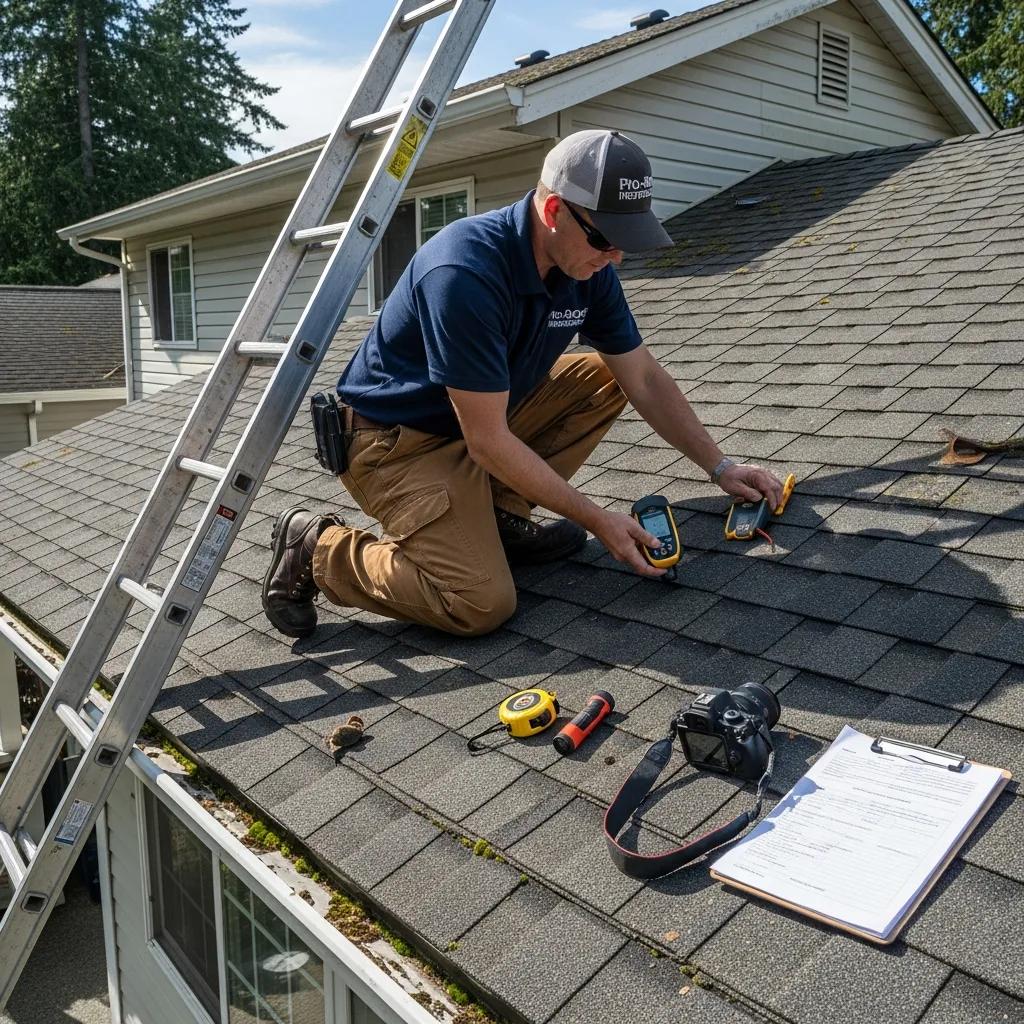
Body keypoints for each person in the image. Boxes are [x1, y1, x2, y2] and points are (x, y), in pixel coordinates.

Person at [263, 129, 782, 639]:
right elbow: (488, 441)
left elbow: (641, 376)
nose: (616, 257)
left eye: (626, 241)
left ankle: (496, 517)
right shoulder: (465, 271)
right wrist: (599, 519)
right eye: (605, 239)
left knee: (603, 378)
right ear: (554, 212)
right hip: (395, 443)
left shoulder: (587, 267)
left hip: (476, 424)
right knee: (478, 604)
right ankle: (317, 546)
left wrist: (721, 467)